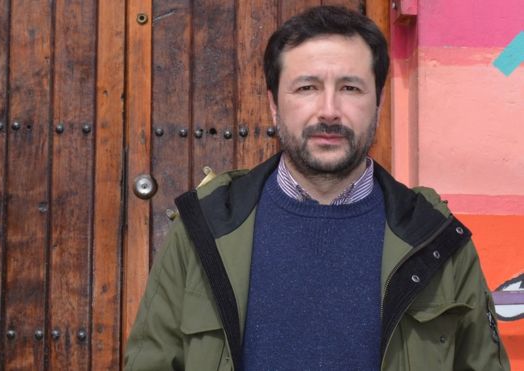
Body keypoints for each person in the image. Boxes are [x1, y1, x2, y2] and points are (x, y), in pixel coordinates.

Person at [124, 5, 510, 371]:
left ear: (378, 104)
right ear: (275, 105)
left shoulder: (437, 240)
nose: (328, 110)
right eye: (307, 87)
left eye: (351, 88)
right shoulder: (205, 230)